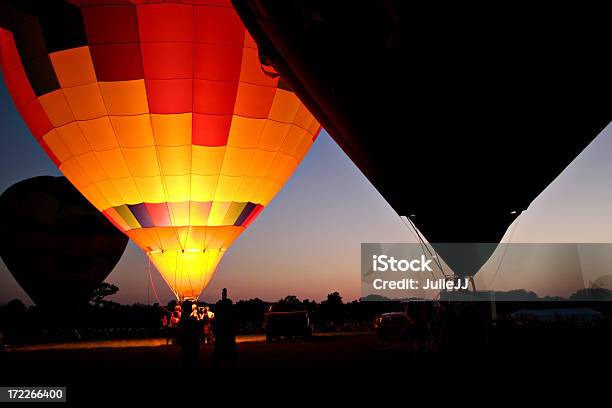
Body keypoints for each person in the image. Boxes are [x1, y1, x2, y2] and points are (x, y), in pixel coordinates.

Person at [211, 288, 236, 368]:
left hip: (222, 332)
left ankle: (221, 361)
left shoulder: (220, 312)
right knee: (228, 348)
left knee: (220, 348)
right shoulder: (229, 312)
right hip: (226, 332)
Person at [177, 300, 201, 369]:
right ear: (189, 308)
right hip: (191, 341)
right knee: (192, 359)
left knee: (185, 357)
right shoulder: (191, 319)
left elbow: (180, 330)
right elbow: (197, 328)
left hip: (185, 341)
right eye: (190, 307)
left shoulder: (182, 319)